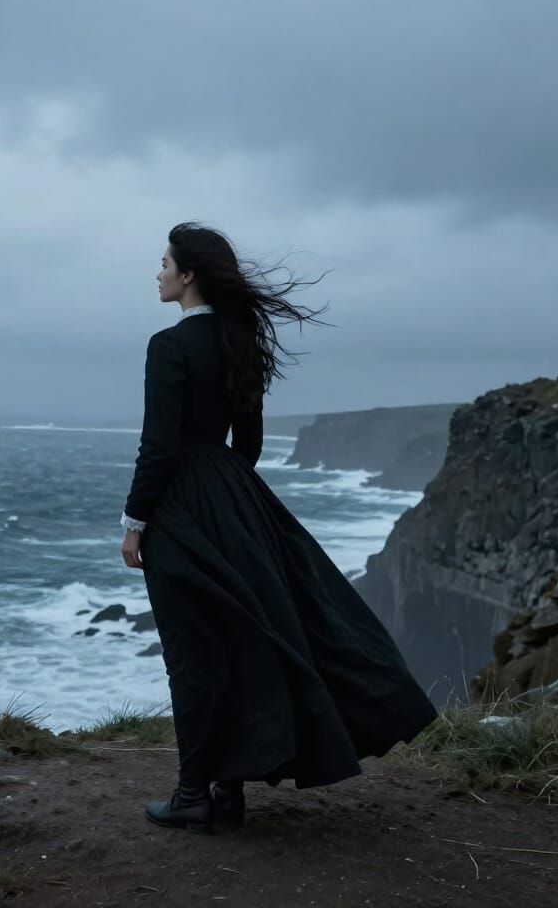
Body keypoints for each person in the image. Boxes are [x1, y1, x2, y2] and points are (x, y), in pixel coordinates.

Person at [119, 222, 438, 836]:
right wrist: (229, 491)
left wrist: (135, 523)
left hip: (182, 509)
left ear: (188, 276)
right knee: (240, 640)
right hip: (239, 501)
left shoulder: (169, 346)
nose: (156, 272)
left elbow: (157, 446)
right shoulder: (240, 340)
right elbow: (252, 438)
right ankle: (226, 790)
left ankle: (193, 794)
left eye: (163, 263)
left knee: (191, 655)